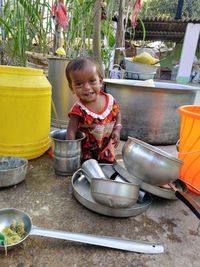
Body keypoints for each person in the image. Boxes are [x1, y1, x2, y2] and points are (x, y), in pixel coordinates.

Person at [65, 56, 122, 163]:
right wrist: (71, 151)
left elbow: (117, 114)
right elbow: (71, 131)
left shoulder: (110, 100)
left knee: (108, 168)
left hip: (106, 149)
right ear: (72, 88)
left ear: (100, 81)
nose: (87, 87)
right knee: (89, 169)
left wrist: (117, 129)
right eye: (79, 84)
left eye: (92, 81)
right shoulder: (78, 109)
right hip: (86, 152)